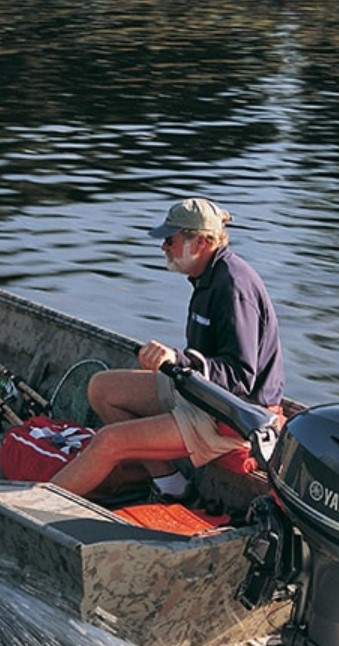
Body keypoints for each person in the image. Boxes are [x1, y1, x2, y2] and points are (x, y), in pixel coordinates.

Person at [51, 197, 285, 501]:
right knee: (102, 388)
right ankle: (170, 484)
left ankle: (28, 511)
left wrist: (178, 358)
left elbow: (241, 378)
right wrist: (183, 365)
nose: (163, 247)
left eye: (170, 240)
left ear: (201, 241)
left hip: (234, 416)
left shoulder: (234, 287)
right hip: (202, 394)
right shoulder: (206, 276)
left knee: (109, 441)